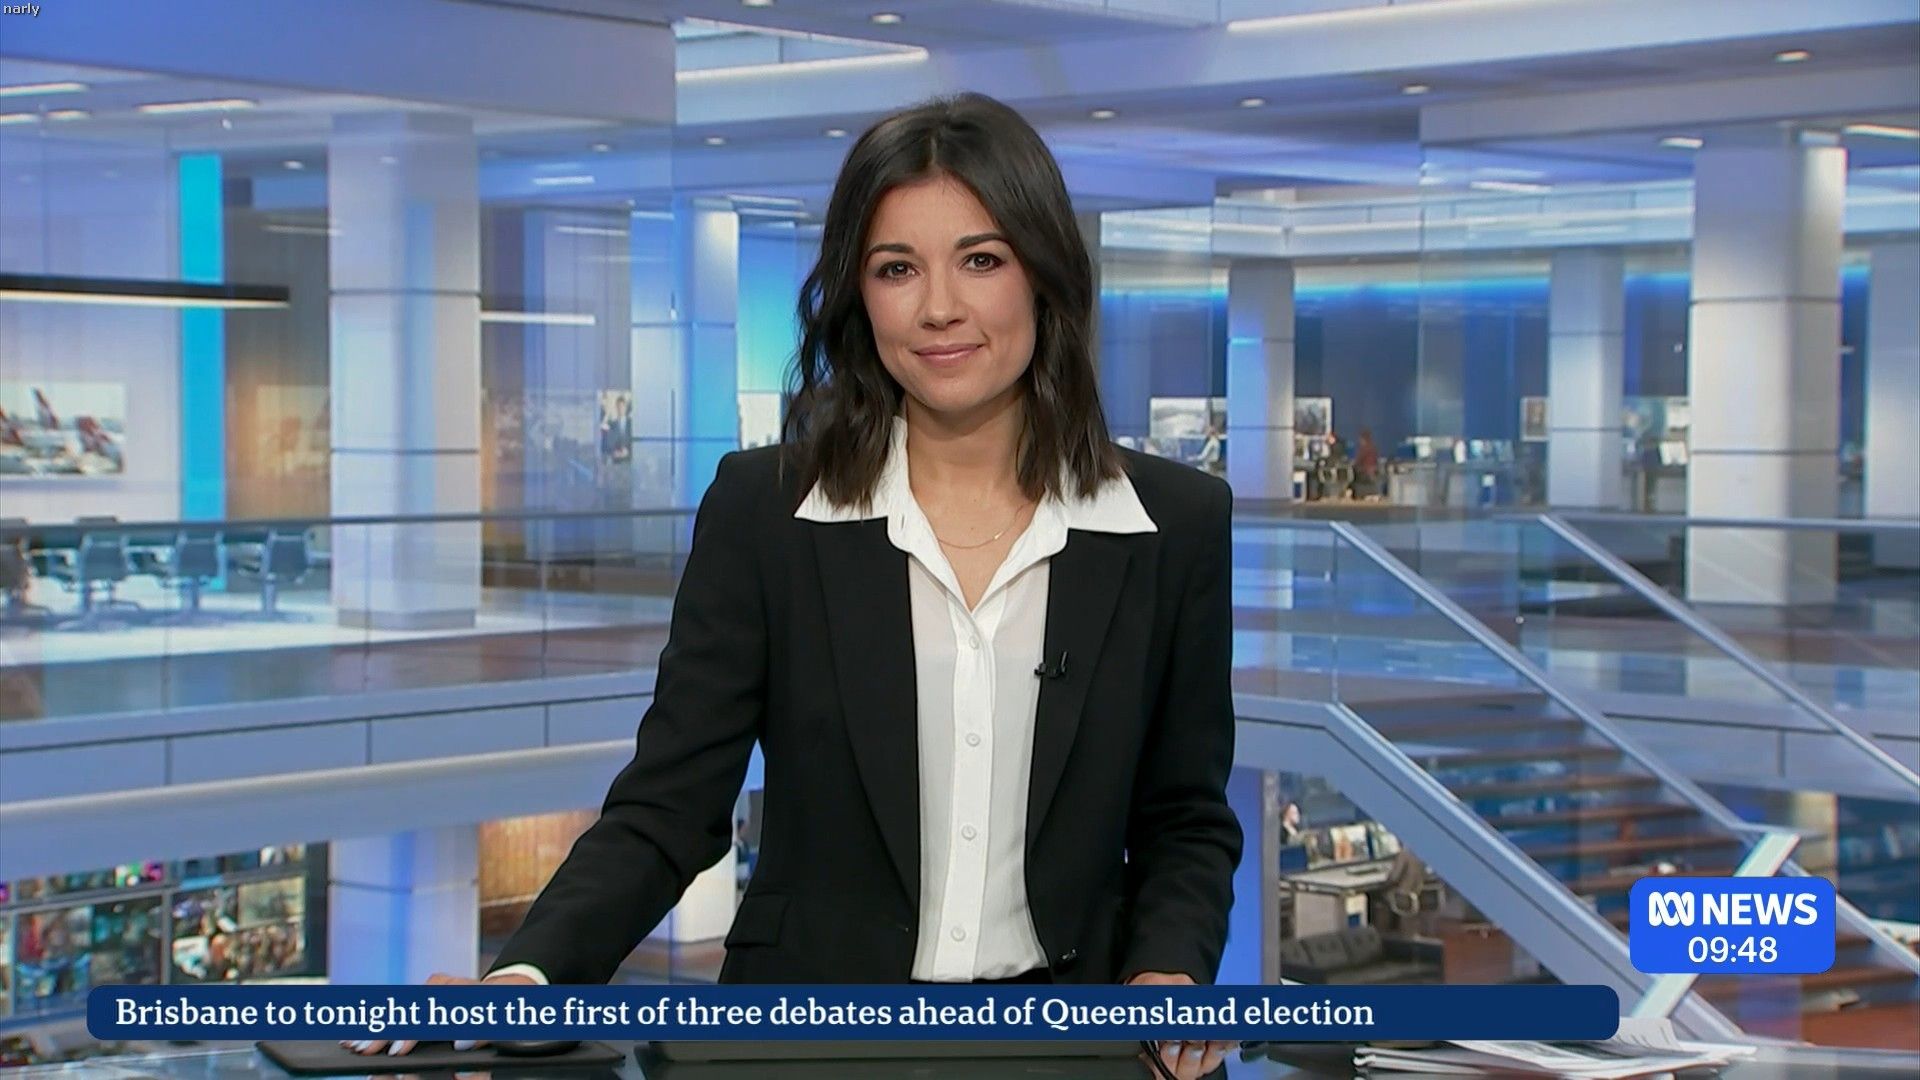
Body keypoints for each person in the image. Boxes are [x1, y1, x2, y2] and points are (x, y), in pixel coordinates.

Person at [350, 93, 1241, 1080]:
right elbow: (669, 806)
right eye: (897, 268)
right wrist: (528, 974)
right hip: (805, 1043)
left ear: (1045, 273)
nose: (939, 307)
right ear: (858, 295)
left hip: (1071, 1047)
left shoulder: (1173, 525)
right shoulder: (765, 512)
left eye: (981, 260)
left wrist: (1168, 972)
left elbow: (1185, 819)